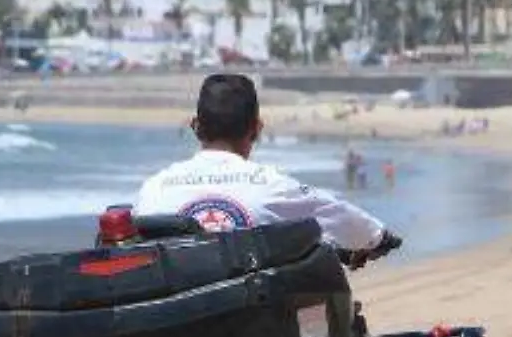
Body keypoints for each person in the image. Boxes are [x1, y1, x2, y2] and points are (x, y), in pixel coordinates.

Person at [137, 74, 394, 252]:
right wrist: (380, 237)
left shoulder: (152, 190)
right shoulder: (272, 187)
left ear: (195, 127)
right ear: (257, 129)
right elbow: (343, 219)